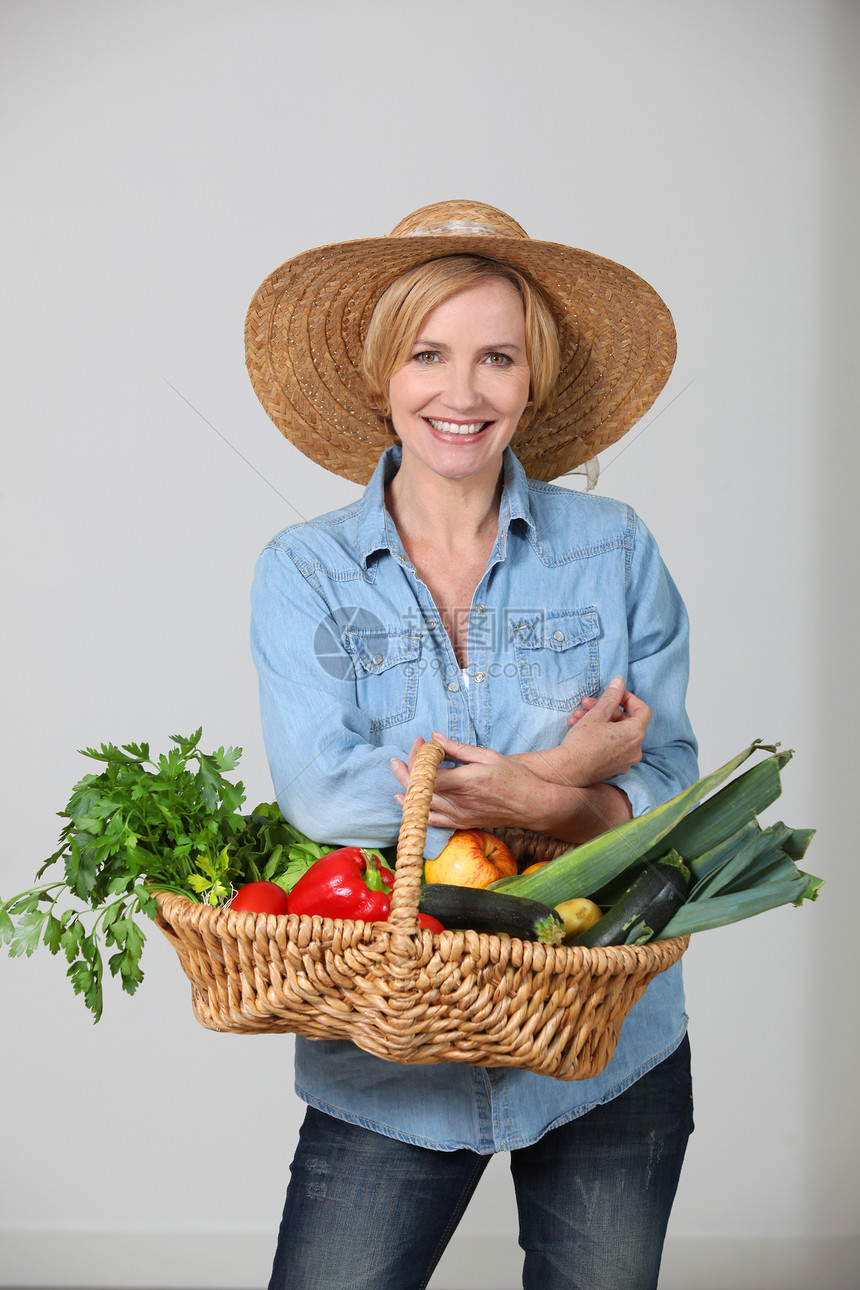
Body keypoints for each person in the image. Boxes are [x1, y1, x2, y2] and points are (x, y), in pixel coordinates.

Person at [247, 200, 698, 1290]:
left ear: (531, 380)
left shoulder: (614, 549)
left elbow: (673, 790)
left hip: (600, 1040)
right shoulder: (301, 570)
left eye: (496, 357)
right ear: (379, 376)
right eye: (428, 354)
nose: (462, 392)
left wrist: (558, 801)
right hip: (386, 1053)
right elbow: (324, 795)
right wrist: (569, 781)